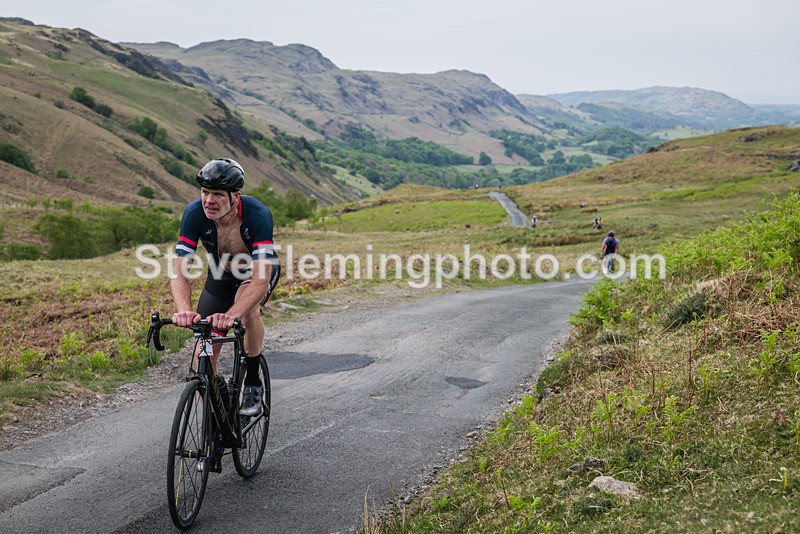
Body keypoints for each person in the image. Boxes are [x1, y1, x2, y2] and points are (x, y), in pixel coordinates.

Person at [170, 158, 280, 416]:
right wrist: (184, 310)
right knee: (202, 357)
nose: (209, 200)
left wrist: (231, 315)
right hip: (220, 277)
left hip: (255, 275)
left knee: (249, 311)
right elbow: (178, 272)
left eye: (218, 194)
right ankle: (216, 419)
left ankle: (252, 381)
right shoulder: (195, 213)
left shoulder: (257, 214)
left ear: (235, 196)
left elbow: (260, 280)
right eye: (205, 192)